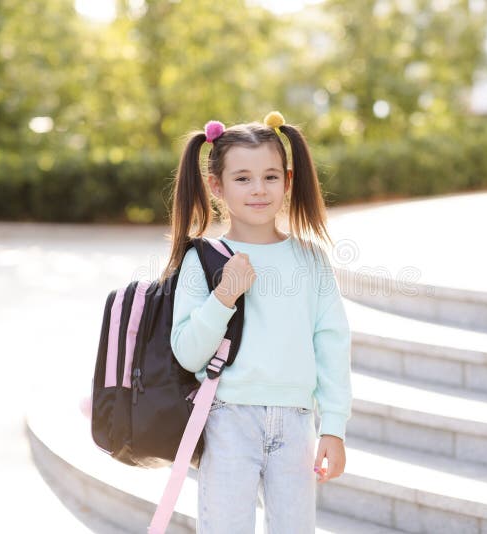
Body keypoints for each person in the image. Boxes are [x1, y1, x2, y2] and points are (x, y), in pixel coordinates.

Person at [158, 111, 352, 534]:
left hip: (298, 423)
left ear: (287, 179)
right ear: (217, 185)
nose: (259, 189)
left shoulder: (310, 259)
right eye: (242, 178)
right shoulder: (202, 259)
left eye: (270, 177)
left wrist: (333, 427)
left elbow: (332, 344)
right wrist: (224, 296)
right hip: (228, 418)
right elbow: (187, 351)